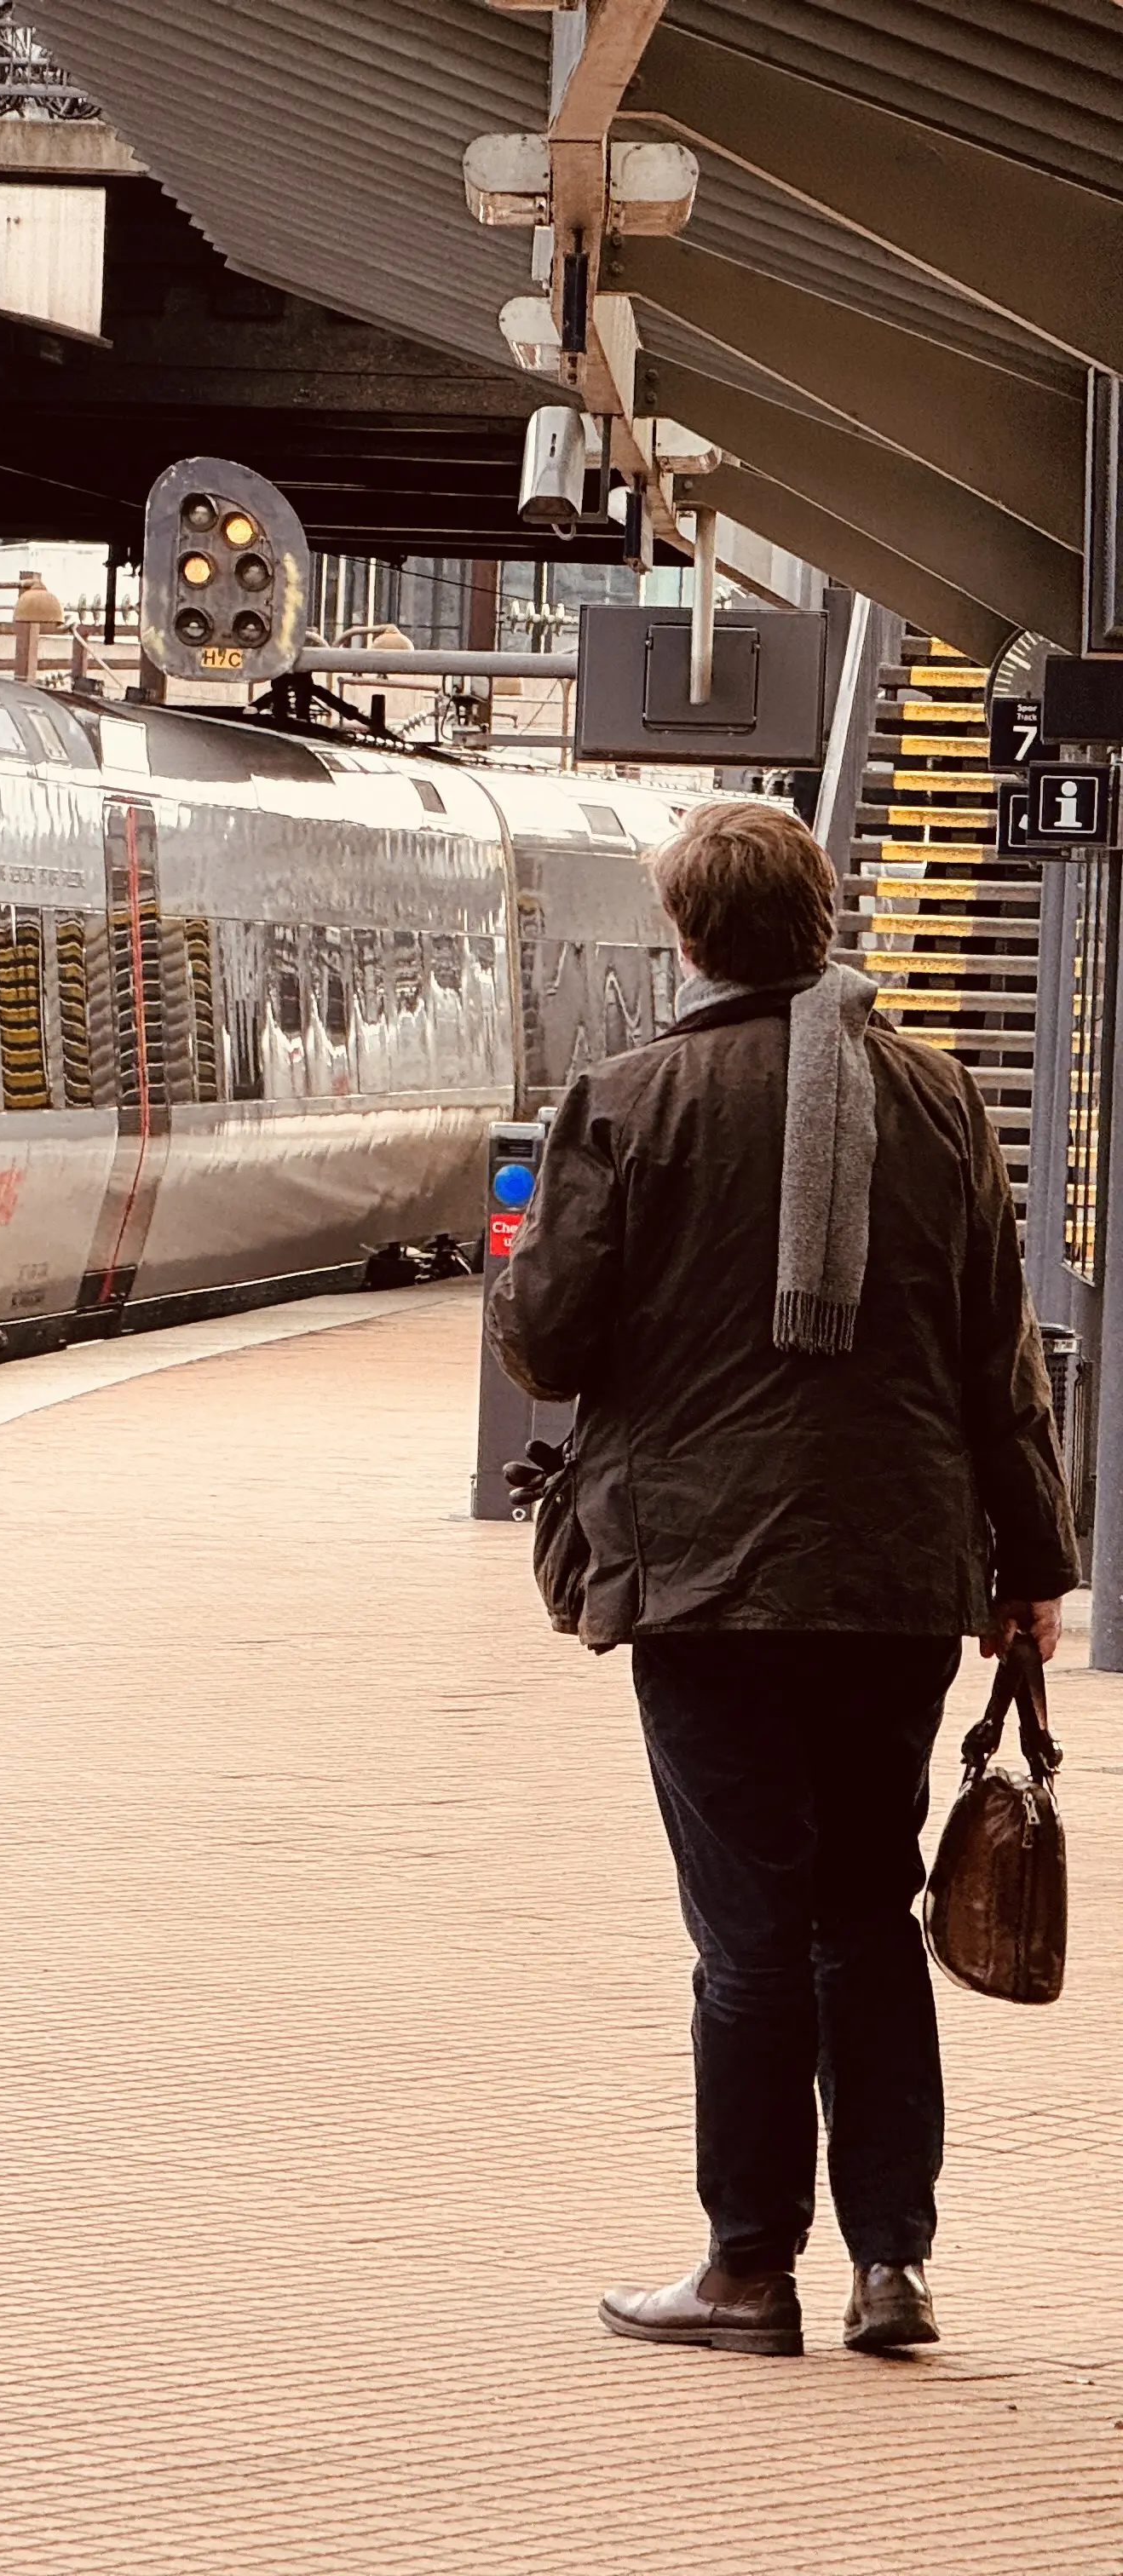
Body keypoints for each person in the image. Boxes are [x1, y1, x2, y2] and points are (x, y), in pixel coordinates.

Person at [490, 798, 1076, 2361]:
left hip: (705, 1582)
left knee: (748, 1941)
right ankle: (894, 2266)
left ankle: (750, 2272)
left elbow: (548, 1339)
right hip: (893, 1579)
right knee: (866, 1920)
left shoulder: (628, 1101)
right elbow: (995, 1362)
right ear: (821, 920)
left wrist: (521, 1270)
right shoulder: (940, 1099)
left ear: (684, 935)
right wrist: (1036, 1573)